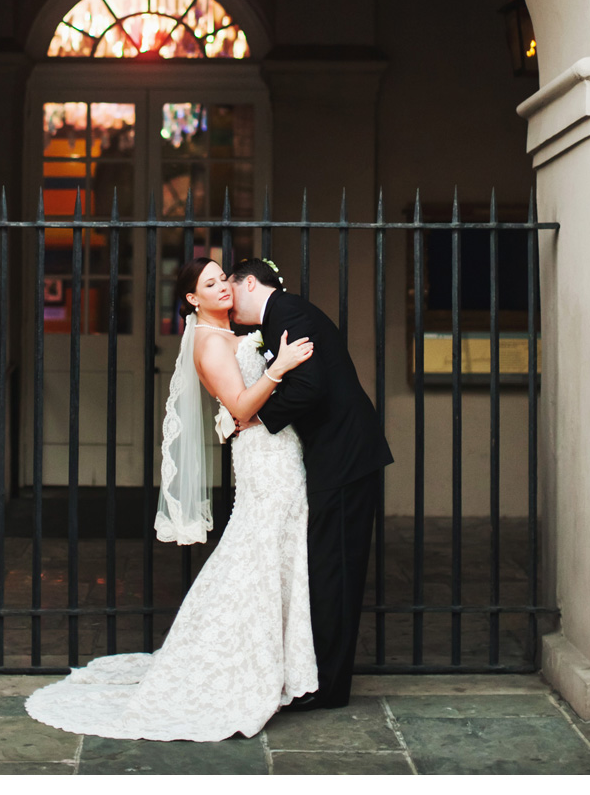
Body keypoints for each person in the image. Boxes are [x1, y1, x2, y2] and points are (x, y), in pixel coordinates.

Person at [25, 257, 316, 742]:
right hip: (264, 458)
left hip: (279, 451)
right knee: (255, 555)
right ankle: (231, 665)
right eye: (209, 283)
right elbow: (241, 406)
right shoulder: (209, 343)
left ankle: (279, 664)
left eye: (223, 278)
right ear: (191, 299)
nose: (222, 286)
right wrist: (280, 367)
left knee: (271, 554)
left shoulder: (235, 334)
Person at [229, 257, 394, 711]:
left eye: (229, 287)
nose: (227, 302)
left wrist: (256, 418)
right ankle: (321, 679)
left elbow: (309, 388)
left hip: (344, 459)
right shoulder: (283, 313)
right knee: (328, 569)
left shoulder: (288, 314)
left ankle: (329, 688)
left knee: (334, 572)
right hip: (339, 458)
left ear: (247, 283)